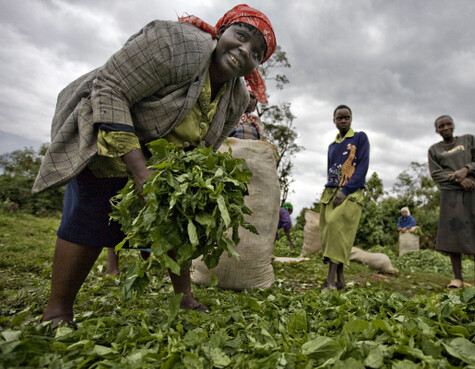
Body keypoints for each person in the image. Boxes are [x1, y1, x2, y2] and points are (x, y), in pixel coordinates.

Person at [32, 4, 276, 329]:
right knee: (90, 214)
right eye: (241, 36)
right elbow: (111, 88)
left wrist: (189, 183)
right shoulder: (178, 44)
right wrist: (139, 170)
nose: (245, 50)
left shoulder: (236, 97)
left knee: (179, 224)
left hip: (165, 157)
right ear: (221, 32)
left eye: (256, 53)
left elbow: (206, 147)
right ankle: (58, 311)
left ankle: (184, 297)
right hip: (113, 126)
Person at [428, 115, 475, 290]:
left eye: (448, 124)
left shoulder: (469, 140)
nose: (445, 128)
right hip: (452, 195)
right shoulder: (434, 150)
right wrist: (459, 180)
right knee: (454, 234)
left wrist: (467, 170)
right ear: (437, 130)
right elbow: (436, 174)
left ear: (453, 126)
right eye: (441, 126)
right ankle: (457, 279)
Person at [319, 105, 369, 291]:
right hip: (331, 192)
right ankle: (340, 280)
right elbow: (330, 170)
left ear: (351, 119)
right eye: (339, 118)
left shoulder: (360, 138)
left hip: (351, 192)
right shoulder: (332, 146)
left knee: (335, 228)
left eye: (347, 117)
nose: (343, 121)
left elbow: (362, 167)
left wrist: (345, 191)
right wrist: (332, 190)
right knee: (330, 234)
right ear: (334, 120)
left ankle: (330, 282)